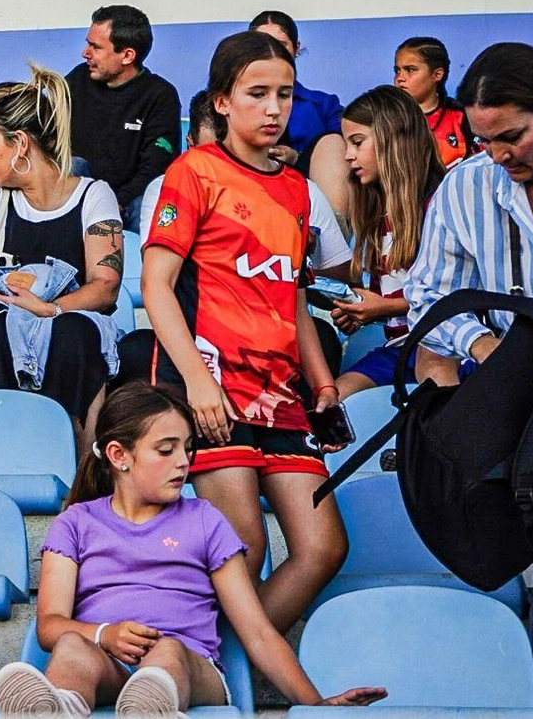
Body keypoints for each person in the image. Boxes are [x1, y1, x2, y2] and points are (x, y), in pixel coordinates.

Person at [0, 382, 385, 717]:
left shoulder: (205, 520)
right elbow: (50, 627)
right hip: (107, 661)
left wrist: (315, 705)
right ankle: (56, 708)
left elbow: (259, 634)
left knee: (167, 652)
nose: (183, 462)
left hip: (191, 669)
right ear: (118, 456)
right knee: (72, 647)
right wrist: (104, 635)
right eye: (166, 450)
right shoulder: (75, 523)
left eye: (187, 448)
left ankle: (151, 705)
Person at [140, 31, 350, 634]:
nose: (273, 108)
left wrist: (323, 383)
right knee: (244, 549)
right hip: (212, 388)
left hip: (283, 393)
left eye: (284, 94)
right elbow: (157, 286)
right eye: (256, 93)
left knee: (323, 548)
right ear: (222, 102)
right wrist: (198, 383)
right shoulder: (193, 172)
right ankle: (208, 670)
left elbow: (296, 296)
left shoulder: (298, 190)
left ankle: (212, 663)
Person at [401, 42, 533, 713]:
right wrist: (484, 345)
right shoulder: (467, 185)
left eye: (512, 135)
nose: (499, 155)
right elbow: (428, 299)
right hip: (532, 411)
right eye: (484, 140)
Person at [0, 67, 122, 432]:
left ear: (20, 143)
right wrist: (11, 303)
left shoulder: (93, 194)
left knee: (71, 333)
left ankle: (75, 464)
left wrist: (49, 309)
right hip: (6, 318)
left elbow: (105, 286)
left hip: (73, 324)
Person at [138, 91, 353, 281]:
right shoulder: (166, 188)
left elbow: (344, 279)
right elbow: (158, 280)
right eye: (208, 155)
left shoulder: (300, 190)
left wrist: (300, 257)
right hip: (196, 323)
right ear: (190, 143)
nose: (221, 166)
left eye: (232, 155)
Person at [331, 86, 451, 397]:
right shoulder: (376, 212)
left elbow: (456, 296)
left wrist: (383, 308)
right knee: (336, 397)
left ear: (393, 139)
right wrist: (359, 310)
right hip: (398, 349)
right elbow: (383, 296)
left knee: (435, 402)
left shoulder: (440, 204)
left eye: (357, 142)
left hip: (448, 349)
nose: (348, 155)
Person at [66, 5, 182, 230]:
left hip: (130, 202)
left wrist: (115, 202)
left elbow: (156, 167)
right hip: (83, 198)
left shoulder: (160, 95)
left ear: (127, 55)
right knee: (73, 165)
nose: (85, 53)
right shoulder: (77, 79)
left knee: (154, 203)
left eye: (95, 47)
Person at [248, 11, 350, 223]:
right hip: (248, 195)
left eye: (281, 45)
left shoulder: (324, 104)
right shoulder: (232, 103)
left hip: (312, 196)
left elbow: (350, 156)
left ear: (296, 48)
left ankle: (331, 235)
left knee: (333, 142)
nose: (271, 52)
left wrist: (298, 157)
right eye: (262, 44)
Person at [393, 36, 478, 169]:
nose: (400, 78)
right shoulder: (387, 116)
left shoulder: (459, 115)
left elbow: (480, 161)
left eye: (410, 70)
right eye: (397, 70)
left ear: (437, 74)